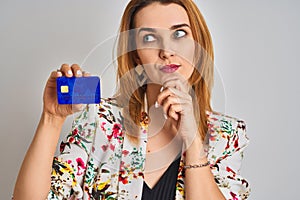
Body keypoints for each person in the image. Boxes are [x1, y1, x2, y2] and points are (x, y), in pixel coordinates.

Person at [13, 0, 250, 199]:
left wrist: (193, 141)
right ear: (135, 55)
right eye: (149, 38)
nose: (166, 50)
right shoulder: (101, 121)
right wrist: (51, 119)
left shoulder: (225, 134)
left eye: (179, 33)